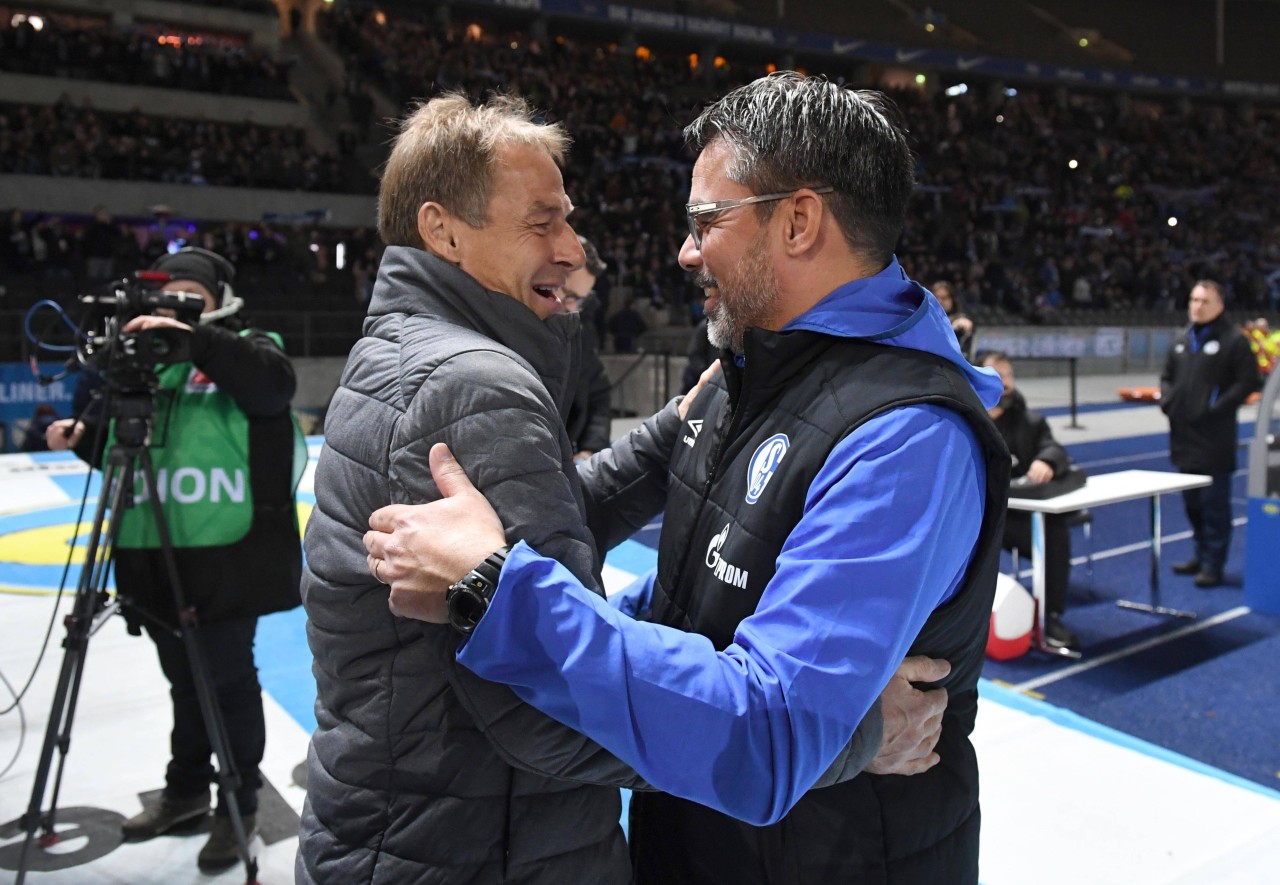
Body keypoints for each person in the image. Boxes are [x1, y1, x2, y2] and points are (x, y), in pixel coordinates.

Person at [365, 72, 1011, 884]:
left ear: (800, 220)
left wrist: (503, 595)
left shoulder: (904, 438)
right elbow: (688, 608)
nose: (686, 249)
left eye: (707, 220)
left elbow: (770, 738)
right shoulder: (740, 377)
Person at [45, 247, 303, 873]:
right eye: (169, 294)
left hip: (225, 555)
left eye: (194, 294)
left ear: (219, 300)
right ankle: (185, 789)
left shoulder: (245, 345)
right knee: (183, 683)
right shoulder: (141, 363)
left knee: (226, 683)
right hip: (150, 553)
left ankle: (238, 801)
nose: (177, 306)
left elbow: (273, 388)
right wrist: (86, 442)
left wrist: (195, 340)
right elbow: (123, 454)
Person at [1160, 279, 1260, 587]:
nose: (1197, 306)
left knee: (1214, 505)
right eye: (1193, 300)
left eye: (1204, 301)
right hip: (1183, 437)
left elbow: (1248, 382)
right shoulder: (1180, 339)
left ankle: (1213, 563)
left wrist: (1215, 407)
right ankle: (1200, 553)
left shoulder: (1233, 341)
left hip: (1214, 440)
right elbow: (1166, 377)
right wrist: (1169, 402)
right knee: (1191, 505)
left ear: (1219, 305)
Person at [981, 351, 1080, 650]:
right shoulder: (965, 418)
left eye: (1008, 374)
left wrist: (1047, 461)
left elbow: (1054, 448)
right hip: (976, 520)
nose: (1005, 382)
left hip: (1016, 518)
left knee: (1054, 533)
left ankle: (1050, 618)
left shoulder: (1030, 421)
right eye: (996, 374)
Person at [564, 234, 613, 461]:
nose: (573, 307)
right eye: (568, 295)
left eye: (579, 300)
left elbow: (599, 394)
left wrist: (589, 449)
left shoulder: (580, 331)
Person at [935, 279, 976, 361]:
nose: (939, 301)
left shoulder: (958, 316)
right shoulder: (930, 319)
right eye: (936, 298)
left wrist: (959, 324)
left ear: (952, 299)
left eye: (944, 297)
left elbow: (965, 323)